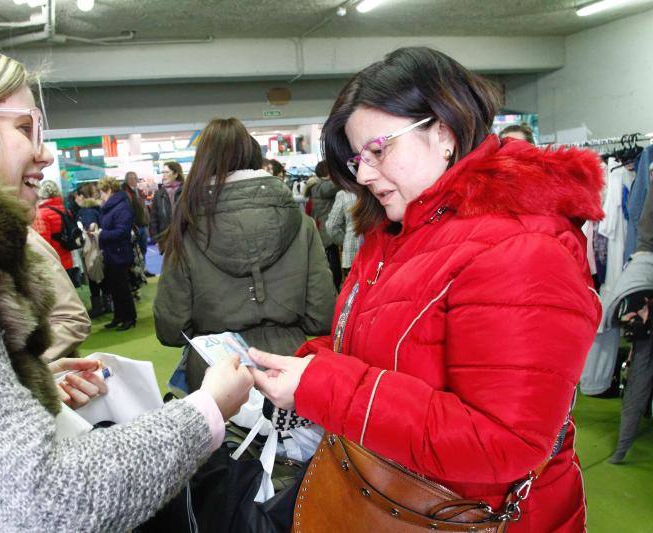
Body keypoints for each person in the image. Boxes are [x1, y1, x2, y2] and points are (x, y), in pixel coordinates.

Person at [0, 39, 253, 532]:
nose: (43, 153)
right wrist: (206, 410)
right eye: (25, 128)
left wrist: (17, 388)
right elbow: (44, 506)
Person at [248, 47, 603, 532]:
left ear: (444, 133)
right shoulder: (400, 233)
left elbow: (503, 443)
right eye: (357, 159)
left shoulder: (520, 250)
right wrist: (314, 365)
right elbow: (399, 355)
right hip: (395, 500)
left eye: (378, 149)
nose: (365, 175)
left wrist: (321, 385)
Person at [154, 117, 336, 392]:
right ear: (255, 157)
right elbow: (322, 313)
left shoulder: (187, 226)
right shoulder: (300, 224)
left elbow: (171, 327)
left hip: (217, 371)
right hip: (289, 364)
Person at [97, 176, 137, 331]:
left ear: (108, 190)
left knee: (122, 288)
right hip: (111, 252)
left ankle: (129, 318)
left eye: (101, 192)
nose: (100, 195)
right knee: (115, 288)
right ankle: (119, 316)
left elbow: (122, 231)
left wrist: (101, 234)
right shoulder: (111, 207)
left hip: (119, 253)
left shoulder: (121, 207)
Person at [305, 160, 342, 290]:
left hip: (324, 229)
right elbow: (336, 185)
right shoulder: (321, 186)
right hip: (327, 232)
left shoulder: (316, 184)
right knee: (333, 263)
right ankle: (334, 287)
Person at [75, 182, 111, 318]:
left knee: (94, 277)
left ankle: (98, 307)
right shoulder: (98, 208)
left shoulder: (86, 211)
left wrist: (80, 238)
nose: (75, 200)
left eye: (77, 196)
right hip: (103, 247)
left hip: (92, 249)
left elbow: (90, 230)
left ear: (82, 196)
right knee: (103, 276)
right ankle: (108, 304)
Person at [33, 180, 75, 272]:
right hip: (68, 260)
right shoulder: (66, 210)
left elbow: (43, 243)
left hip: (54, 263)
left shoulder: (42, 213)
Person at [123, 171, 154, 277]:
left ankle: (143, 270)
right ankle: (137, 273)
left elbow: (144, 208)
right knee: (136, 251)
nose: (133, 179)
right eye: (130, 178)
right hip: (134, 226)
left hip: (142, 224)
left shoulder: (138, 191)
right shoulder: (125, 193)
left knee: (143, 249)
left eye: (134, 177)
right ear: (127, 180)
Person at [325, 188, 359, 279]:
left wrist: (343, 241)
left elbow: (332, 226)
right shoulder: (376, 189)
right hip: (380, 255)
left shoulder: (344, 194)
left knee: (354, 290)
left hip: (352, 253)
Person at [149, 160, 183, 244]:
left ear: (175, 174)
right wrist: (156, 239)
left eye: (167, 172)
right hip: (166, 239)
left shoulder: (186, 191)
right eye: (163, 172)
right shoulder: (159, 194)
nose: (163, 175)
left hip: (185, 237)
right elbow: (154, 218)